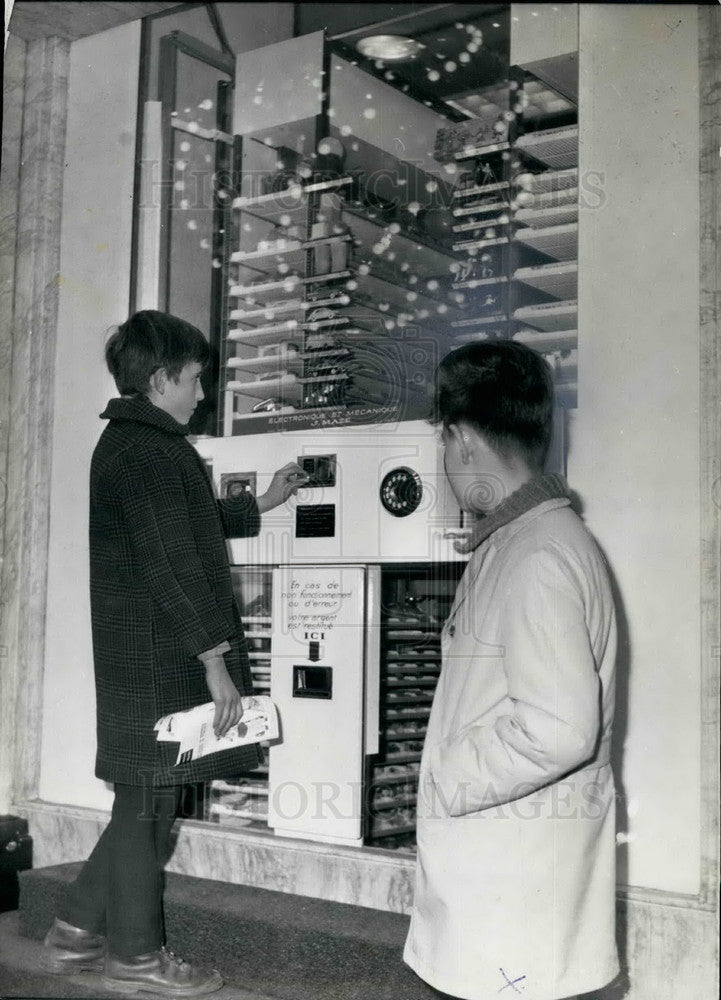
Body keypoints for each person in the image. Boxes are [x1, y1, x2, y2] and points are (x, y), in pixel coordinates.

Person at [42, 310, 307, 996]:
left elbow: (186, 519)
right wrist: (213, 661)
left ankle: (74, 933)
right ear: (161, 379)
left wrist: (264, 504)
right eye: (194, 380)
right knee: (146, 810)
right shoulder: (147, 449)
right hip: (163, 657)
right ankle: (136, 960)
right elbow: (168, 563)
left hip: (149, 656)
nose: (201, 394)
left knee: (145, 806)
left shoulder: (141, 443)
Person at [403, 341, 619, 1000]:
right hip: (511, 890)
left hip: (506, 904)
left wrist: (448, 774)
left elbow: (557, 728)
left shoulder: (535, 558)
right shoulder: (528, 542)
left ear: (462, 440)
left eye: (443, 444)